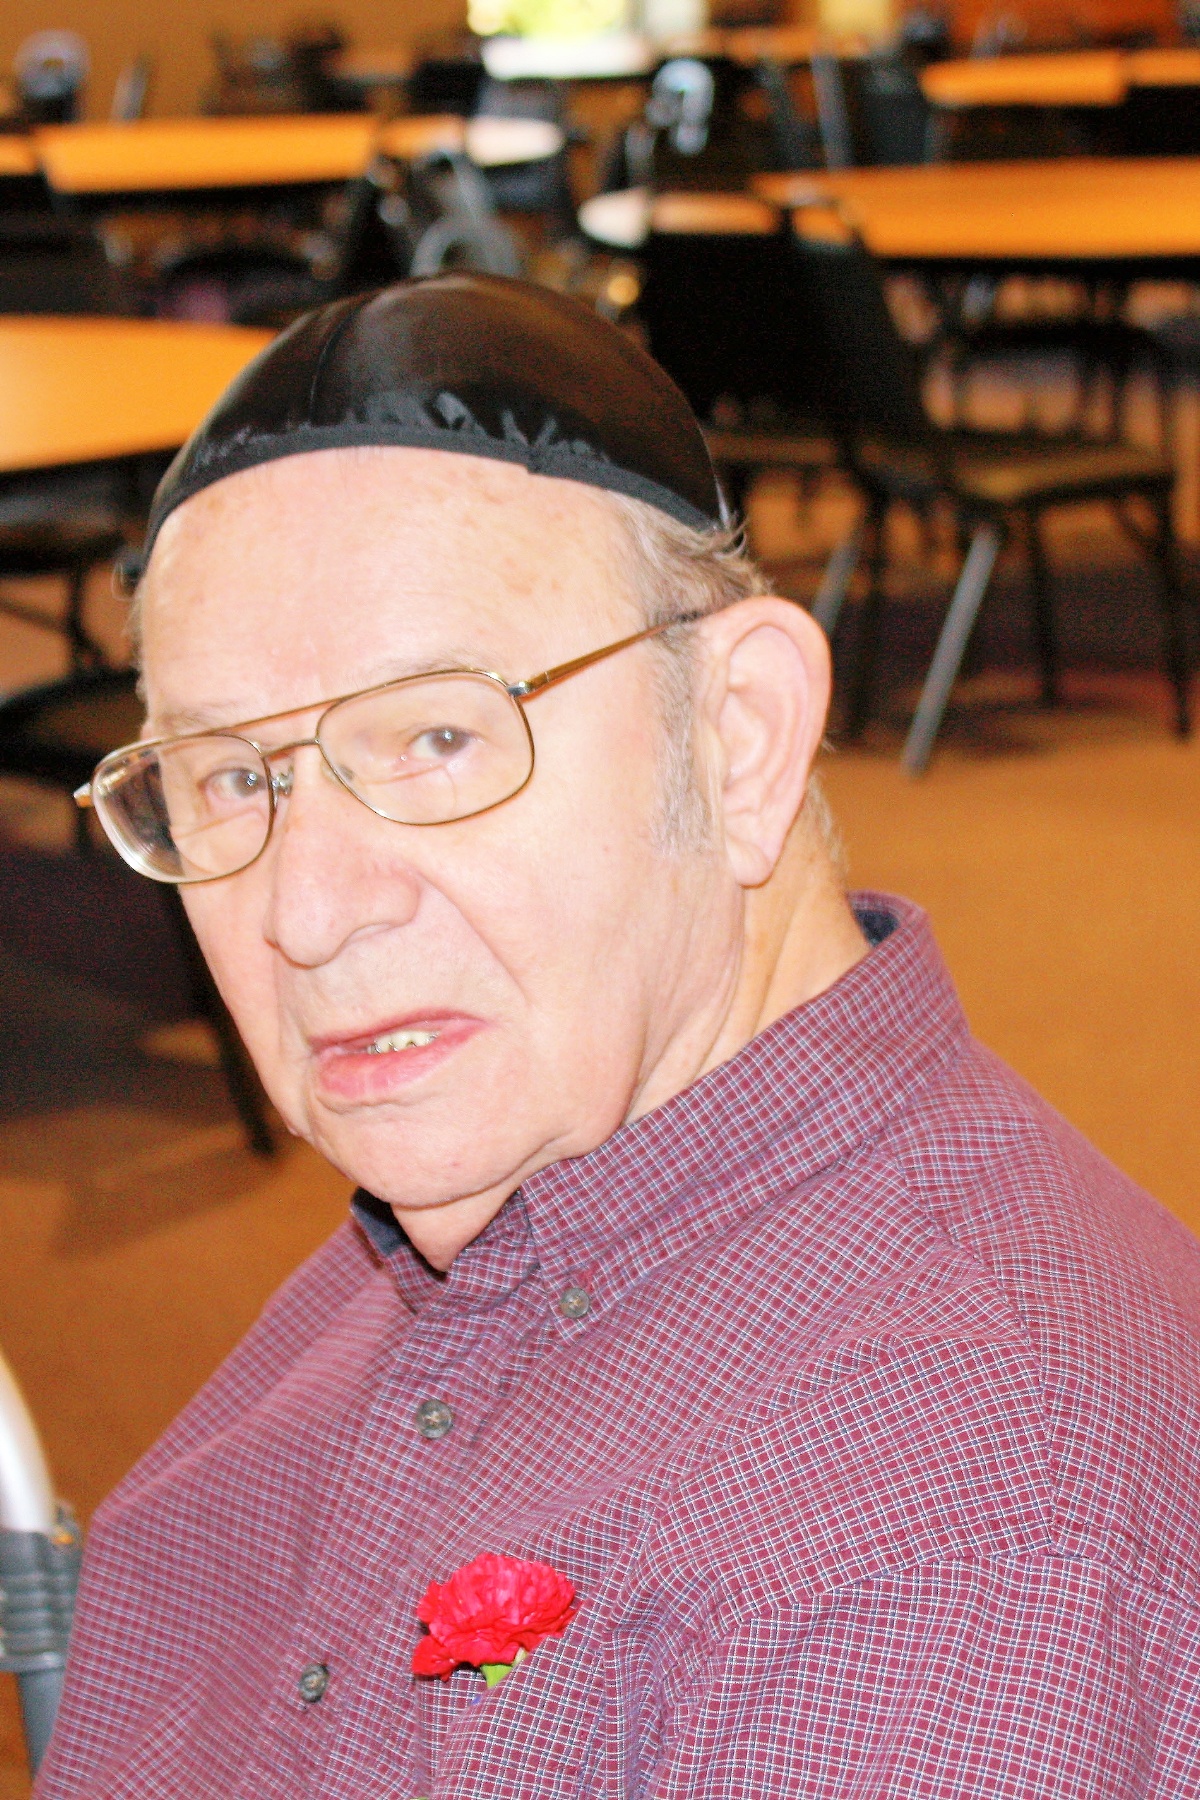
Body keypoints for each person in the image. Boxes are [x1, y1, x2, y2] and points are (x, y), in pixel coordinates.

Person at [45, 275, 1200, 1799]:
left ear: (739, 738)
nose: (306, 913)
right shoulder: (532, 1174)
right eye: (228, 777)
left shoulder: (948, 1539)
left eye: (438, 737)